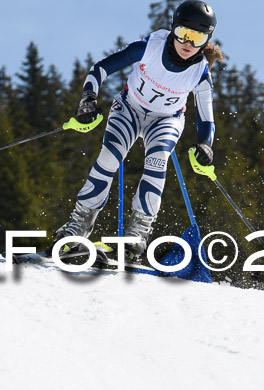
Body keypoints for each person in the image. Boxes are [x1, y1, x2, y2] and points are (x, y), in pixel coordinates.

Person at [56, 0, 224, 263]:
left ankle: (134, 241)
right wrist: (88, 99)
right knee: (109, 157)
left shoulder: (200, 72)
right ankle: (77, 228)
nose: (188, 43)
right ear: (173, 29)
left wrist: (205, 145)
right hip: (129, 108)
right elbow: (100, 68)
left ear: (206, 40)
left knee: (157, 163)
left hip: (166, 120)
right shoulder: (150, 47)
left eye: (197, 37)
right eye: (183, 33)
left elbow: (207, 119)